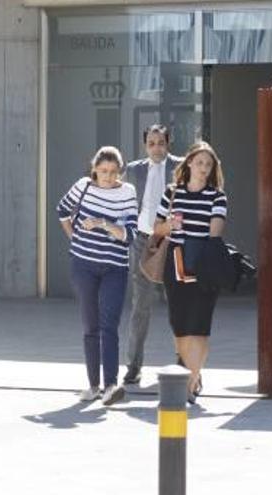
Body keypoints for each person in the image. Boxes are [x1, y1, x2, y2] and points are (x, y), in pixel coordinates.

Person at [56, 146, 138, 406]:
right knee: (90, 326)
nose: (108, 176)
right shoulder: (83, 186)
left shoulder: (127, 193)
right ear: (94, 170)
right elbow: (61, 211)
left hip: (115, 267)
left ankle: (111, 386)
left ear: (120, 172)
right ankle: (93, 386)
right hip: (83, 266)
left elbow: (130, 235)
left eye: (114, 172)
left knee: (109, 326)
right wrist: (74, 239)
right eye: (103, 171)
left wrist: (103, 223)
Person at [155, 141, 227, 404]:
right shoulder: (172, 193)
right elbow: (156, 228)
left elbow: (215, 231)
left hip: (205, 266)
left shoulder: (217, 196)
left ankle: (191, 380)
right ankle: (191, 377)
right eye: (199, 163)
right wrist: (169, 226)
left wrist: (200, 236)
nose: (204, 168)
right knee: (181, 327)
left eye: (208, 164)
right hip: (174, 265)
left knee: (200, 327)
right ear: (189, 163)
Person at [121, 125, 180, 386]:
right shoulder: (134, 170)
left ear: (168, 143)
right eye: (151, 143)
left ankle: (183, 362)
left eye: (161, 143)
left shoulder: (180, 167)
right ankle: (133, 366)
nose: (156, 148)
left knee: (178, 304)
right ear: (145, 145)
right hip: (142, 240)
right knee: (140, 306)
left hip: (170, 241)